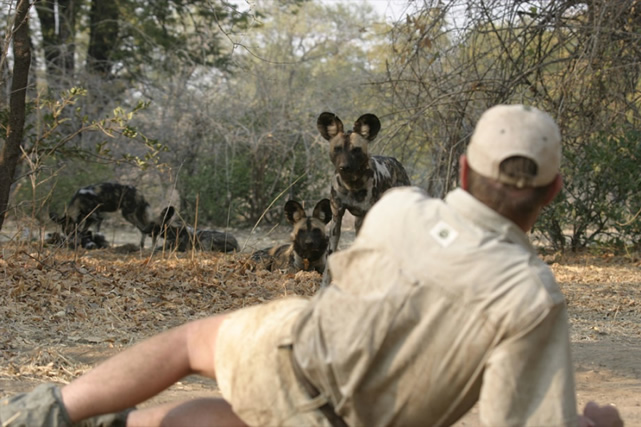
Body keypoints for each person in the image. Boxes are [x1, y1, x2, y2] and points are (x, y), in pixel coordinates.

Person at [0, 105, 624, 427]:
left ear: (462, 171)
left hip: (297, 353)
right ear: (554, 191)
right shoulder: (533, 299)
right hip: (362, 416)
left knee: (199, 342)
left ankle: (49, 414)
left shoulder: (400, 206)